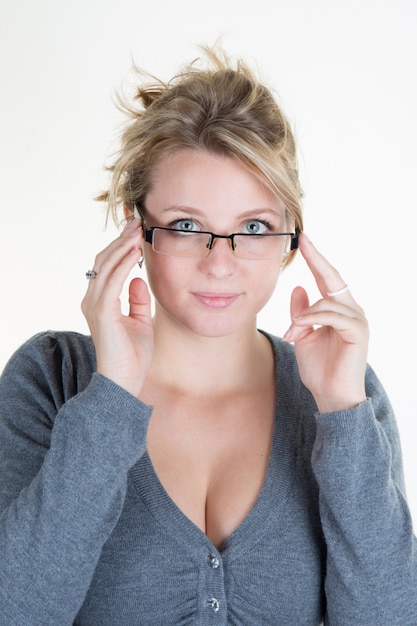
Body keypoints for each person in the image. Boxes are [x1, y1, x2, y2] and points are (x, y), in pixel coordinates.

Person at [0, 47, 416, 626]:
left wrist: (344, 413)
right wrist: (112, 396)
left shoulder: (346, 391)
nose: (220, 264)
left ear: (292, 237)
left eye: (253, 227)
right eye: (187, 226)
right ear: (135, 226)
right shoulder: (52, 375)